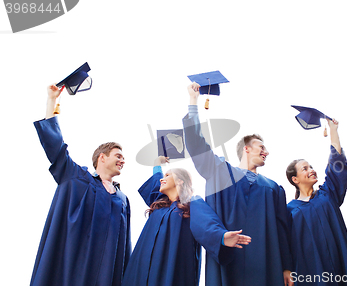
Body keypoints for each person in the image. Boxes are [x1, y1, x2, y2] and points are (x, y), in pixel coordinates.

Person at [183, 82, 294, 286]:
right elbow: (196, 144)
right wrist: (193, 101)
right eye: (261, 147)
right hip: (229, 259)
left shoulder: (274, 188)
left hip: (266, 263)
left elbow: (281, 229)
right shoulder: (219, 172)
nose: (266, 152)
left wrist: (286, 266)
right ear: (246, 149)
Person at [31, 84, 131, 286]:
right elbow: (56, 147)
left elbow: (124, 247)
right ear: (102, 157)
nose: (123, 160)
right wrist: (52, 100)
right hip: (71, 269)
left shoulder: (122, 200)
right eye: (118, 156)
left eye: (123, 158)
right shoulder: (76, 177)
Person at [122, 156, 251, 286]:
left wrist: (221, 237)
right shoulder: (159, 205)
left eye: (167, 175)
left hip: (171, 267)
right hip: (142, 268)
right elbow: (156, 182)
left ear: (180, 181)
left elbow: (205, 223)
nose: (162, 178)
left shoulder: (189, 205)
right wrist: (156, 164)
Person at [286, 118, 347, 286]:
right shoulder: (289, 211)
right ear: (295, 179)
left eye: (311, 166)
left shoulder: (327, 194)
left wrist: (334, 131)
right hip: (312, 272)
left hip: (341, 262)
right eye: (305, 169)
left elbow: (337, 165)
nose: (311, 170)